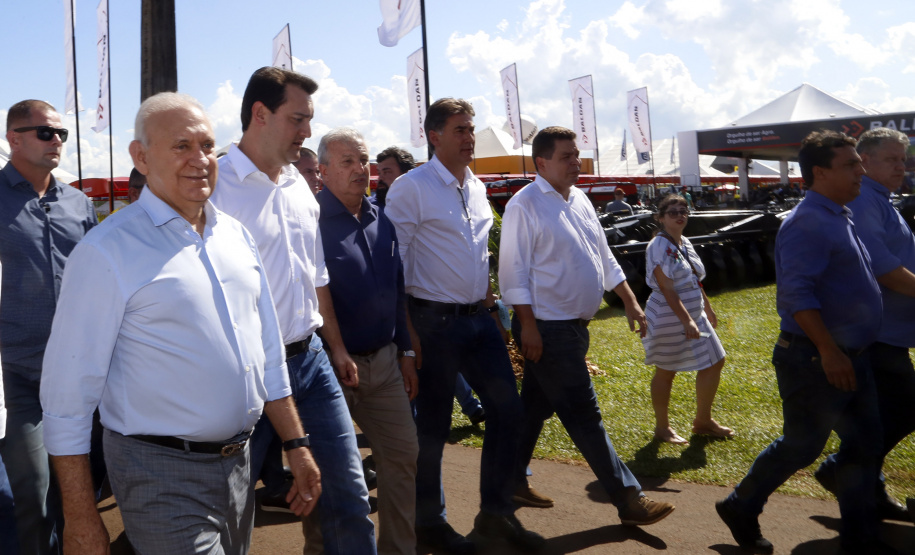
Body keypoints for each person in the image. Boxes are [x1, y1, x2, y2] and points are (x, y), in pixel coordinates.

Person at [39, 92, 321, 553]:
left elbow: (267, 355)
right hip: (158, 471)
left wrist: (296, 441)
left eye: (208, 146)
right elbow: (68, 397)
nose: (200, 160)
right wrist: (81, 516)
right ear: (141, 157)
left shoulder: (236, 236)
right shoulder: (107, 250)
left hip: (240, 466)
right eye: (181, 146)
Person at [210, 67, 376, 555]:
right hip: (247, 374)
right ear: (260, 114)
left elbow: (316, 276)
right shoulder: (215, 186)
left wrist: (336, 346)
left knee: (348, 494)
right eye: (298, 119)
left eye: (309, 120)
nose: (307, 132)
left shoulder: (299, 185)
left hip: (313, 362)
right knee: (230, 511)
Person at [716, 130, 886, 554]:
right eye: (850, 164)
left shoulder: (836, 213)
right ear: (819, 172)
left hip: (852, 356)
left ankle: (861, 539)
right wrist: (829, 351)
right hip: (816, 359)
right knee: (802, 446)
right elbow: (796, 295)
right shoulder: (807, 221)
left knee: (865, 445)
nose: (861, 170)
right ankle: (740, 504)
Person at [386, 98, 543, 554]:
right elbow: (391, 264)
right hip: (430, 324)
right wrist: (407, 334)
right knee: (432, 428)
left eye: (471, 129)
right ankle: (428, 523)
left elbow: (477, 258)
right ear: (434, 136)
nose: (469, 138)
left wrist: (494, 312)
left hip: (478, 321)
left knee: (509, 412)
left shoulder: (474, 186)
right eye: (459, 130)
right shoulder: (411, 188)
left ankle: (495, 515)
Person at [499, 126, 675, 528]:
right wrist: (527, 326)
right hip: (548, 329)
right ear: (541, 163)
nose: (575, 162)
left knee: (533, 409)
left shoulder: (578, 198)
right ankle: (629, 498)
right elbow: (512, 274)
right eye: (566, 156)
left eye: (576, 155)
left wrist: (630, 300)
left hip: (575, 328)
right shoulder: (523, 206)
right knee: (584, 415)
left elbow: (603, 255)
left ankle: (509, 479)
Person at [0, 99, 98, 554]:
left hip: (83, 374)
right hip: (17, 374)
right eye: (44, 132)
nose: (56, 140)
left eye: (60, 133)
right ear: (13, 138)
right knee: (32, 495)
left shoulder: (79, 202)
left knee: (82, 492)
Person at [316, 128, 419, 555]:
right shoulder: (309, 224)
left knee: (403, 458)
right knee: (333, 479)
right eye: (347, 162)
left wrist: (407, 350)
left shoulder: (383, 219)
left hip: (385, 362)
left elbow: (397, 291)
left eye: (363, 160)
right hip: (329, 372)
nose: (361, 169)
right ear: (321, 172)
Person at [812, 127, 915, 522]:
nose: (900, 167)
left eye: (902, 159)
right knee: (899, 412)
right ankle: (843, 474)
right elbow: (884, 268)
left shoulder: (881, 201)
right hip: (878, 334)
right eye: (891, 159)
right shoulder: (867, 203)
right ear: (865, 161)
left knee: (887, 416)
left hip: (890, 332)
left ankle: (864, 487)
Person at [642, 194, 732, 445]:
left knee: (715, 360)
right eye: (673, 212)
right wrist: (687, 321)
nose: (680, 215)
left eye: (684, 211)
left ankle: (703, 421)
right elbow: (667, 289)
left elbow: (693, 278)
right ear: (660, 218)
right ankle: (662, 428)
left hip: (694, 316)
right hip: (669, 319)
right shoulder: (658, 246)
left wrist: (707, 307)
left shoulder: (684, 241)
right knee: (666, 371)